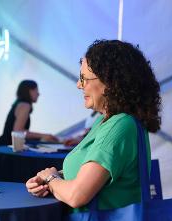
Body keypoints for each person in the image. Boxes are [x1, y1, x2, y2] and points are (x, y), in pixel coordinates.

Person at [26, 40, 161, 212]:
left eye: (84, 78)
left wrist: (51, 179)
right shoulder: (107, 121)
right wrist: (51, 178)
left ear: (110, 82)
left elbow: (77, 196)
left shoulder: (119, 126)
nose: (79, 84)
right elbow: (92, 174)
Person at [0, 80, 58, 148]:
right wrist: (43, 135)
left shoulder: (19, 103)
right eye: (36, 90)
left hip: (3, 146)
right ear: (29, 91)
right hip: (8, 149)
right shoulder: (25, 105)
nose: (38, 94)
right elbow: (18, 132)